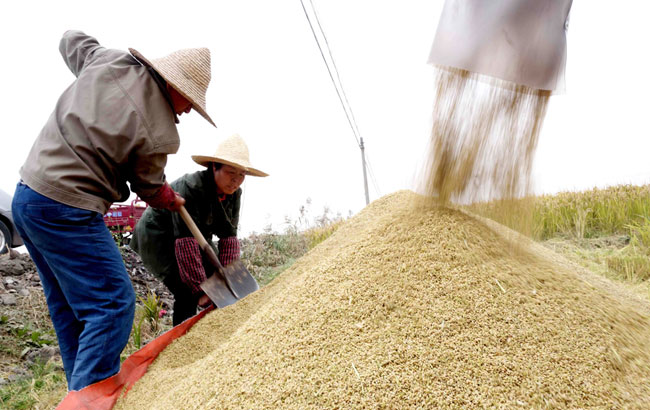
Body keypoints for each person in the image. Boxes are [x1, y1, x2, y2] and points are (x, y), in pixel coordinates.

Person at [11, 30, 215, 391]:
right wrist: (168, 197)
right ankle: (93, 398)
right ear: (177, 88)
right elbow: (149, 187)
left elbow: (71, 40)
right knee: (113, 303)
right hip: (68, 207)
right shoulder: (160, 132)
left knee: (71, 309)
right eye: (190, 104)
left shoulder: (110, 61)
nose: (187, 112)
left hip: (28, 197)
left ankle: (81, 393)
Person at [131, 134, 268, 326]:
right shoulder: (191, 187)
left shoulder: (234, 194)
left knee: (214, 277)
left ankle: (220, 327)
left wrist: (228, 277)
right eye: (231, 173)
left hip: (196, 234)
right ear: (214, 167)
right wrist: (200, 290)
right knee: (185, 289)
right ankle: (182, 338)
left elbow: (228, 238)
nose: (236, 180)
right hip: (159, 235)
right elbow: (186, 243)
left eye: (241, 175)